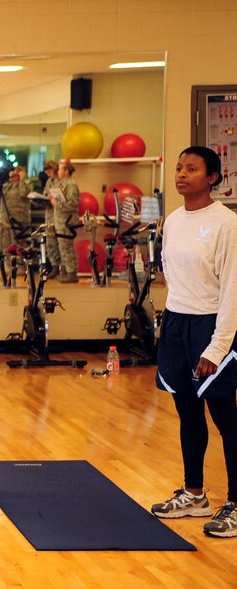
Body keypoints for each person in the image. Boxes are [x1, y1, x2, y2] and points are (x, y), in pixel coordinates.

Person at [150, 146, 237, 539]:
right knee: (187, 413)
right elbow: (172, 275)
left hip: (212, 327)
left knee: (226, 419)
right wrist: (169, 329)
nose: (182, 174)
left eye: (193, 169)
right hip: (177, 324)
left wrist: (217, 347)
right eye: (180, 168)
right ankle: (194, 493)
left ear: (213, 178)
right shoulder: (172, 220)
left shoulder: (226, 224)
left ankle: (235, 502)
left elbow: (233, 290)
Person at [0, 168, 31, 279]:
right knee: (7, 244)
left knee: (20, 244)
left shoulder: (27, 184)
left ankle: (21, 266)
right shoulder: (7, 186)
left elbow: (23, 193)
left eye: (15, 174)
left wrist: (22, 180)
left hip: (20, 219)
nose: (12, 176)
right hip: (7, 220)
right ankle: (9, 266)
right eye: (11, 175)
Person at [51, 161, 80, 283]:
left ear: (67, 171)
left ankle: (72, 272)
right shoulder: (62, 183)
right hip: (60, 220)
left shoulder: (71, 185)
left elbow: (73, 204)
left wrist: (58, 204)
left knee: (67, 247)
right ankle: (66, 271)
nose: (58, 171)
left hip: (66, 221)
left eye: (60, 169)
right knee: (62, 247)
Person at [41, 160, 61, 278]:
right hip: (49, 214)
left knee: (61, 243)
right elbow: (45, 193)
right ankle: (54, 266)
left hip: (59, 215)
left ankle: (62, 267)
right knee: (51, 242)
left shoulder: (61, 181)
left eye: (49, 171)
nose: (48, 173)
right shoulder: (49, 181)